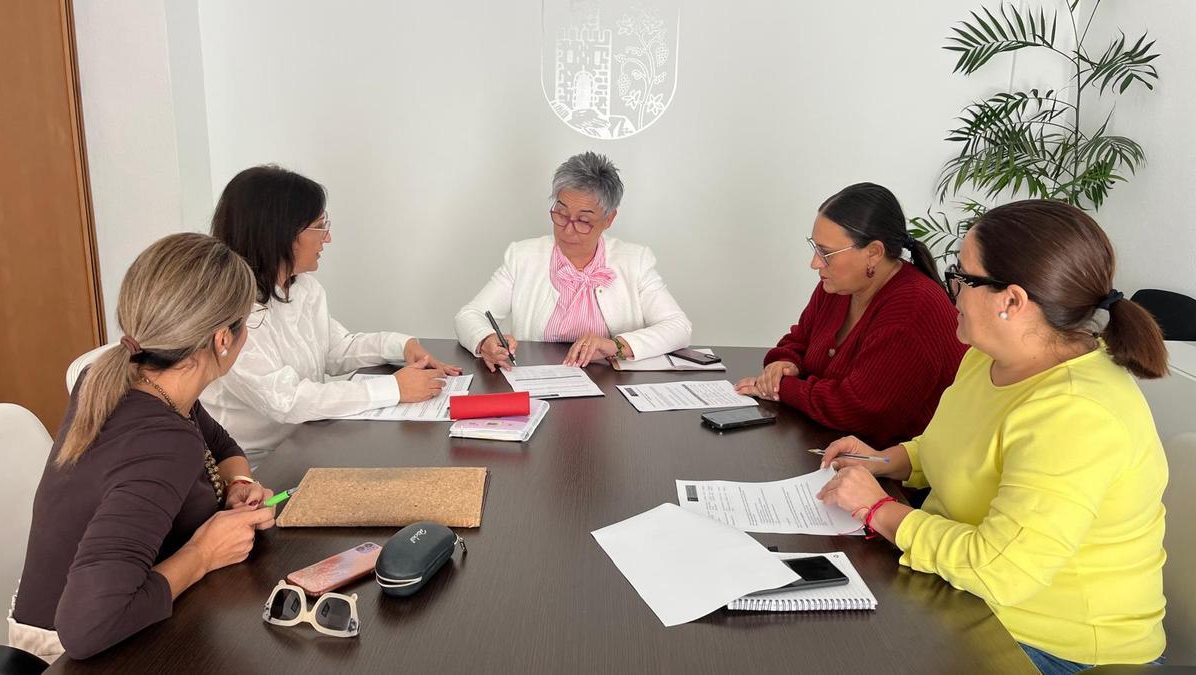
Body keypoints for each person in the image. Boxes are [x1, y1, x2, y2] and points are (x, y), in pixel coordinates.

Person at [817, 200, 1168, 673]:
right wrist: (883, 461)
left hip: (1053, 646)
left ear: (1012, 300)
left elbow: (1000, 570)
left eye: (962, 276)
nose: (953, 292)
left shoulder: (1076, 412)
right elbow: (949, 445)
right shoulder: (987, 357)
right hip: (963, 597)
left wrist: (878, 509)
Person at [11, 233, 276, 662]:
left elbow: (219, 443)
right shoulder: (161, 437)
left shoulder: (131, 378)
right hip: (66, 656)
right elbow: (86, 626)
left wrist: (237, 482)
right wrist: (204, 553)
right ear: (222, 338)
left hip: (83, 619)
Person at [202, 165, 460, 463]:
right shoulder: (233, 313)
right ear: (280, 233)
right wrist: (393, 388)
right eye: (320, 226)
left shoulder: (303, 289)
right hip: (255, 468)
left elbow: (335, 350)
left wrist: (402, 345)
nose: (327, 238)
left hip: (306, 439)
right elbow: (288, 400)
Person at [735, 183, 966, 447]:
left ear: (874, 253)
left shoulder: (913, 309)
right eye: (814, 247)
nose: (815, 263)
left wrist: (782, 388)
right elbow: (798, 340)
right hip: (836, 448)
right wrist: (786, 364)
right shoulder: (837, 287)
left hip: (902, 475)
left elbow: (860, 411)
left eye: (826, 253)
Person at [454, 151, 692, 371]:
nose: (568, 230)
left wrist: (616, 346)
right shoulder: (523, 256)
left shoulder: (635, 261)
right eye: (561, 214)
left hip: (611, 386)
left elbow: (678, 327)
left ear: (609, 219)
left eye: (584, 221)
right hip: (539, 380)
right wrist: (486, 340)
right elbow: (469, 315)